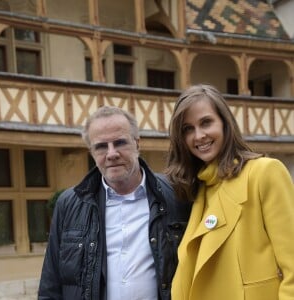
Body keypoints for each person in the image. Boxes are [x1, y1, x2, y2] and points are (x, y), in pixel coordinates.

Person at [38, 106, 191, 300]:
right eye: (101, 146)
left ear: (137, 144)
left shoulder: (176, 195)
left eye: (120, 143)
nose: (111, 154)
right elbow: (50, 285)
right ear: (91, 152)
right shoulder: (69, 204)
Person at [165, 84, 294, 300]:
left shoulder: (265, 172)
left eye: (206, 122)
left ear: (226, 123)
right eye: (188, 129)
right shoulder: (198, 188)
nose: (199, 136)